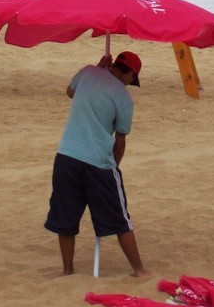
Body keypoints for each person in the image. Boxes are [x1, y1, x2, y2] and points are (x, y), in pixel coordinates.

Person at [44, 50, 149, 277]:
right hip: (98, 163)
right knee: (120, 219)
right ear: (130, 73)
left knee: (66, 217)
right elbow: (120, 141)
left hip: (67, 156)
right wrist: (115, 165)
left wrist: (97, 67)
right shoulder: (123, 99)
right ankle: (139, 270)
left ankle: (68, 269)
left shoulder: (88, 72)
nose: (131, 84)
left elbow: (70, 92)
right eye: (133, 78)